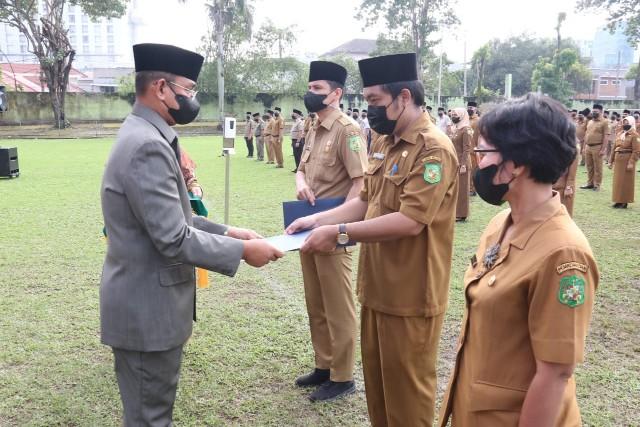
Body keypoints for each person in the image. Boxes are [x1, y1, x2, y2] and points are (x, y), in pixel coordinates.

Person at [100, 43, 283, 426]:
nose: (192, 98)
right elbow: (172, 237)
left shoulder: (149, 133)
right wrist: (242, 251)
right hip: (146, 310)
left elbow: (175, 217)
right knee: (151, 418)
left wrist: (229, 230)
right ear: (161, 88)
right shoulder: (147, 145)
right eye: (188, 89)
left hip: (147, 305)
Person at [287, 53, 458, 426]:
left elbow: (411, 220)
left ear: (404, 98)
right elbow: (365, 200)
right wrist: (317, 219)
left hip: (411, 292)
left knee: (408, 395)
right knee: (380, 392)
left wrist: (339, 233)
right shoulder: (383, 139)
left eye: (375, 102)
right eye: (366, 101)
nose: (370, 110)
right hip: (377, 286)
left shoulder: (433, 149)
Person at [439, 93, 599, 427]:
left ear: (516, 164)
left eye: (483, 152)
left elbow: (555, 373)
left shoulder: (563, 253)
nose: (478, 162)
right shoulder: (501, 224)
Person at [292, 60, 368, 402]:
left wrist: (339, 225)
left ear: (336, 94)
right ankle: (324, 365)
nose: (311, 94)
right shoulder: (313, 126)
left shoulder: (348, 130)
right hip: (308, 227)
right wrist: (300, 183)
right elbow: (301, 169)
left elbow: (360, 185)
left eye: (318, 89)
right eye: (309, 88)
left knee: (338, 306)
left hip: (333, 230)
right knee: (316, 301)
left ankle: (343, 376)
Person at [609, 116, 640, 208]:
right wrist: (611, 161)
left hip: (627, 161)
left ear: (632, 123)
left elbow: (637, 151)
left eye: (627, 123)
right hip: (618, 161)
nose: (625, 124)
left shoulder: (635, 135)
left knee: (626, 182)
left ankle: (624, 202)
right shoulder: (620, 133)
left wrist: (631, 162)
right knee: (618, 182)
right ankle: (618, 200)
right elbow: (614, 148)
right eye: (624, 122)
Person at [450, 108, 473, 221]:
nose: (453, 116)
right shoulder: (455, 129)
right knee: (455, 188)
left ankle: (461, 214)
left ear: (462, 115)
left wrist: (463, 164)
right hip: (454, 162)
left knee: (463, 189)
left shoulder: (466, 129)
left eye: (455, 114)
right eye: (452, 114)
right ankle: (455, 212)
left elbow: (467, 148)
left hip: (462, 163)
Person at [580, 104, 609, 191]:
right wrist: (584, 147)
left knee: (598, 167)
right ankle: (590, 183)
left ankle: (597, 185)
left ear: (601, 112)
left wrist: (603, 149)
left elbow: (606, 136)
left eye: (596, 111)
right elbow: (586, 134)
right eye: (593, 111)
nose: (593, 113)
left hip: (598, 146)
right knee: (589, 166)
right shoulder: (590, 122)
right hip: (588, 146)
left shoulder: (605, 122)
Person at [552, 149, 579, 217]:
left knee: (565, 213)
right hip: (550, 186)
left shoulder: (573, 149)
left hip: (563, 187)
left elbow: (572, 174)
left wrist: (569, 187)